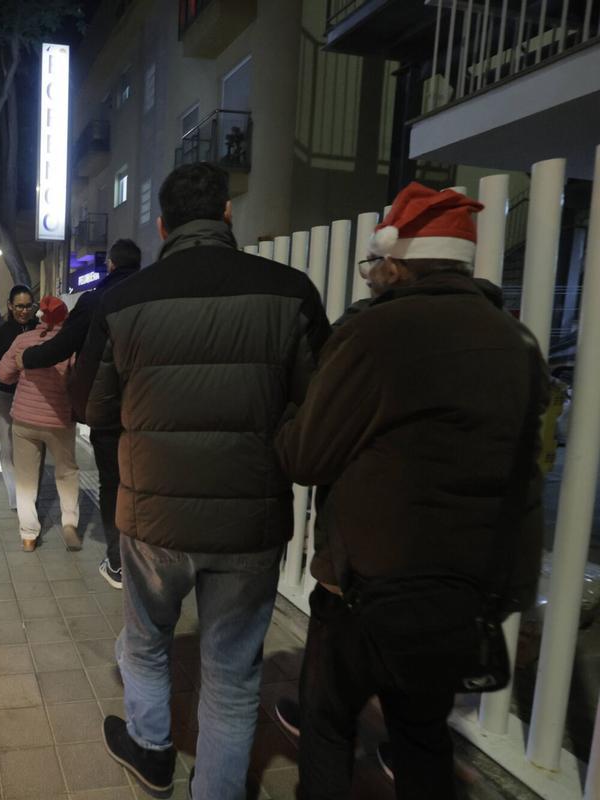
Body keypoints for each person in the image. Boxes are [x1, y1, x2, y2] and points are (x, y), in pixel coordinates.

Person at [275, 183, 549, 799]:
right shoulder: (517, 341)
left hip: (364, 586)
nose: (371, 276)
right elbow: (528, 470)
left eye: (375, 264)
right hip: (465, 589)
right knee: (422, 734)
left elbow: (306, 455)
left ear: (397, 264)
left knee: (327, 721)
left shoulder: (375, 333)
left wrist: (288, 414)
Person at [83, 162, 330, 799]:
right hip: (250, 518)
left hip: (154, 516)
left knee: (146, 644)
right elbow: (317, 406)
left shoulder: (123, 301)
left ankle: (152, 752)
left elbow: (96, 406)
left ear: (163, 226)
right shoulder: (291, 292)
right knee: (233, 672)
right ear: (226, 213)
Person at [18, 239, 141, 588]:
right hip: (150, 407)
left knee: (113, 482)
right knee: (144, 482)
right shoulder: (155, 294)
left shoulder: (96, 299)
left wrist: (30, 358)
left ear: (111, 265)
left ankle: (118, 562)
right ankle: (145, 557)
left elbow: (64, 345)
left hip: (109, 406)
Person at [0, 296, 79, 552]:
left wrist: (21, 374)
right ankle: (70, 524)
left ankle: (29, 535)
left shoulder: (24, 340)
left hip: (24, 420)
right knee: (66, 472)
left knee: (26, 478)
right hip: (59, 419)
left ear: (39, 315)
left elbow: (1, 373)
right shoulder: (70, 343)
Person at [0, 285, 38, 509]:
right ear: (10, 306)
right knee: (7, 451)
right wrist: (13, 371)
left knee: (33, 452)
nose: (24, 311)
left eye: (28, 306)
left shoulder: (40, 329)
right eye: (19, 306)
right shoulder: (3, 332)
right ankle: (16, 500)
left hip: (34, 399)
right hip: (8, 396)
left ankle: (30, 497)